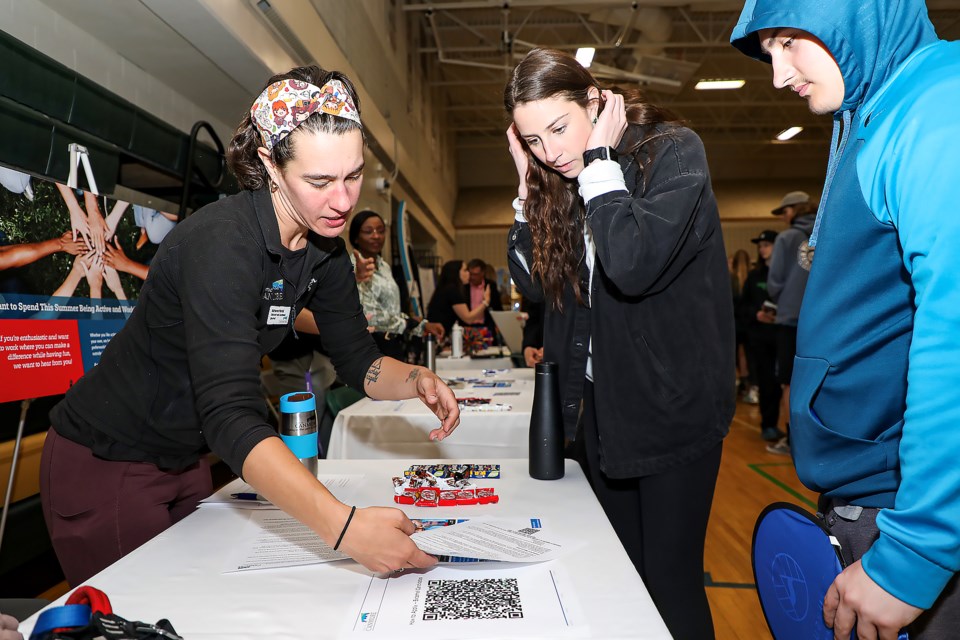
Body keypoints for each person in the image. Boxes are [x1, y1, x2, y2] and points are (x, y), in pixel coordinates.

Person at [40, 64, 460, 587]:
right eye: (321, 181)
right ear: (271, 163)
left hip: (189, 458)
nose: (345, 201)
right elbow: (232, 413)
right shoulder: (223, 243)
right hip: (109, 459)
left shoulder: (324, 248)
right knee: (143, 609)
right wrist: (345, 528)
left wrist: (414, 378)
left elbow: (359, 360)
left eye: (353, 175)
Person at [732, 2, 960, 637]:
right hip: (873, 495)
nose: (778, 75)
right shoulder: (881, 108)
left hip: (904, 511)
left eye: (787, 42)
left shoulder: (937, 108)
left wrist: (916, 552)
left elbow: (955, 340)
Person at [504, 48, 734, 639]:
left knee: (668, 581)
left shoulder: (671, 151)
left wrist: (600, 162)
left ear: (597, 103)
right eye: (532, 140)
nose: (550, 151)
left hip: (671, 411)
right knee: (617, 575)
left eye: (558, 128)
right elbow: (534, 282)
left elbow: (630, 263)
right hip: (599, 411)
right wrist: (527, 188)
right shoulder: (556, 177)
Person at [348, 209, 444, 360]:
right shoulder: (349, 267)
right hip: (368, 347)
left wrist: (422, 325)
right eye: (368, 231)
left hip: (392, 344)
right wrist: (410, 324)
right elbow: (370, 316)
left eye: (380, 230)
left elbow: (392, 311)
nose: (376, 236)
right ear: (355, 237)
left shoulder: (384, 266)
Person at [764, 190, 815, 455]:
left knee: (788, 382)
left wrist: (781, 298)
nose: (783, 217)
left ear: (794, 210)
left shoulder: (787, 238)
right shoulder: (827, 234)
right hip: (820, 321)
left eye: (784, 211)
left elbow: (775, 282)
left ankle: (794, 441)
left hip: (790, 319)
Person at [740, 230, 782, 442]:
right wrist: (756, 314)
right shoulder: (754, 277)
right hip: (760, 338)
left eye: (766, 244)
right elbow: (743, 306)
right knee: (767, 383)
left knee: (784, 384)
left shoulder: (787, 274)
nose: (762, 249)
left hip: (782, 336)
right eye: (760, 245)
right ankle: (768, 424)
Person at [426, 260, 490, 340]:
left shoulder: (446, 288)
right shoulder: (452, 290)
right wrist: (485, 302)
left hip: (437, 336)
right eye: (465, 270)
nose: (468, 273)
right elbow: (468, 318)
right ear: (456, 273)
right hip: (435, 337)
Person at [730, 248, 754, 402]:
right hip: (749, 324)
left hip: (733, 323)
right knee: (746, 355)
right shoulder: (751, 277)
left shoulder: (730, 278)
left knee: (734, 354)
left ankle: (736, 382)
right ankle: (748, 384)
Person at [462, 258, 503, 339]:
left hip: (486, 327)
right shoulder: (464, 287)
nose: (472, 277)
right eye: (471, 274)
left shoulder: (491, 285)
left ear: (483, 273)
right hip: (467, 327)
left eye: (475, 274)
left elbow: (497, 308)